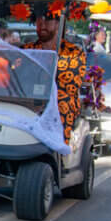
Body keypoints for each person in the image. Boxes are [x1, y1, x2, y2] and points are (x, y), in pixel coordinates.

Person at [23, 14, 86, 144]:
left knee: (62, 103)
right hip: (28, 98)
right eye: (39, 20)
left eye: (48, 20)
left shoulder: (73, 52)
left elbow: (69, 85)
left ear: (58, 24)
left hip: (58, 100)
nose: (42, 24)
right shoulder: (26, 50)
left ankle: (57, 150)